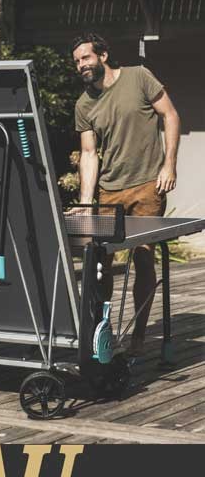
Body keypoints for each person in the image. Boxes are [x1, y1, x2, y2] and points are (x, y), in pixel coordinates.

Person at [71, 33, 180, 356]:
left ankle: (139, 337)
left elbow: (170, 115)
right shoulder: (83, 104)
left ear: (103, 55)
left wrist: (169, 165)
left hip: (148, 186)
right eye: (76, 61)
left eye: (86, 57)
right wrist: (86, 202)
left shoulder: (139, 77)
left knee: (143, 259)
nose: (81, 65)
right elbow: (89, 154)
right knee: (99, 265)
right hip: (109, 192)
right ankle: (101, 332)